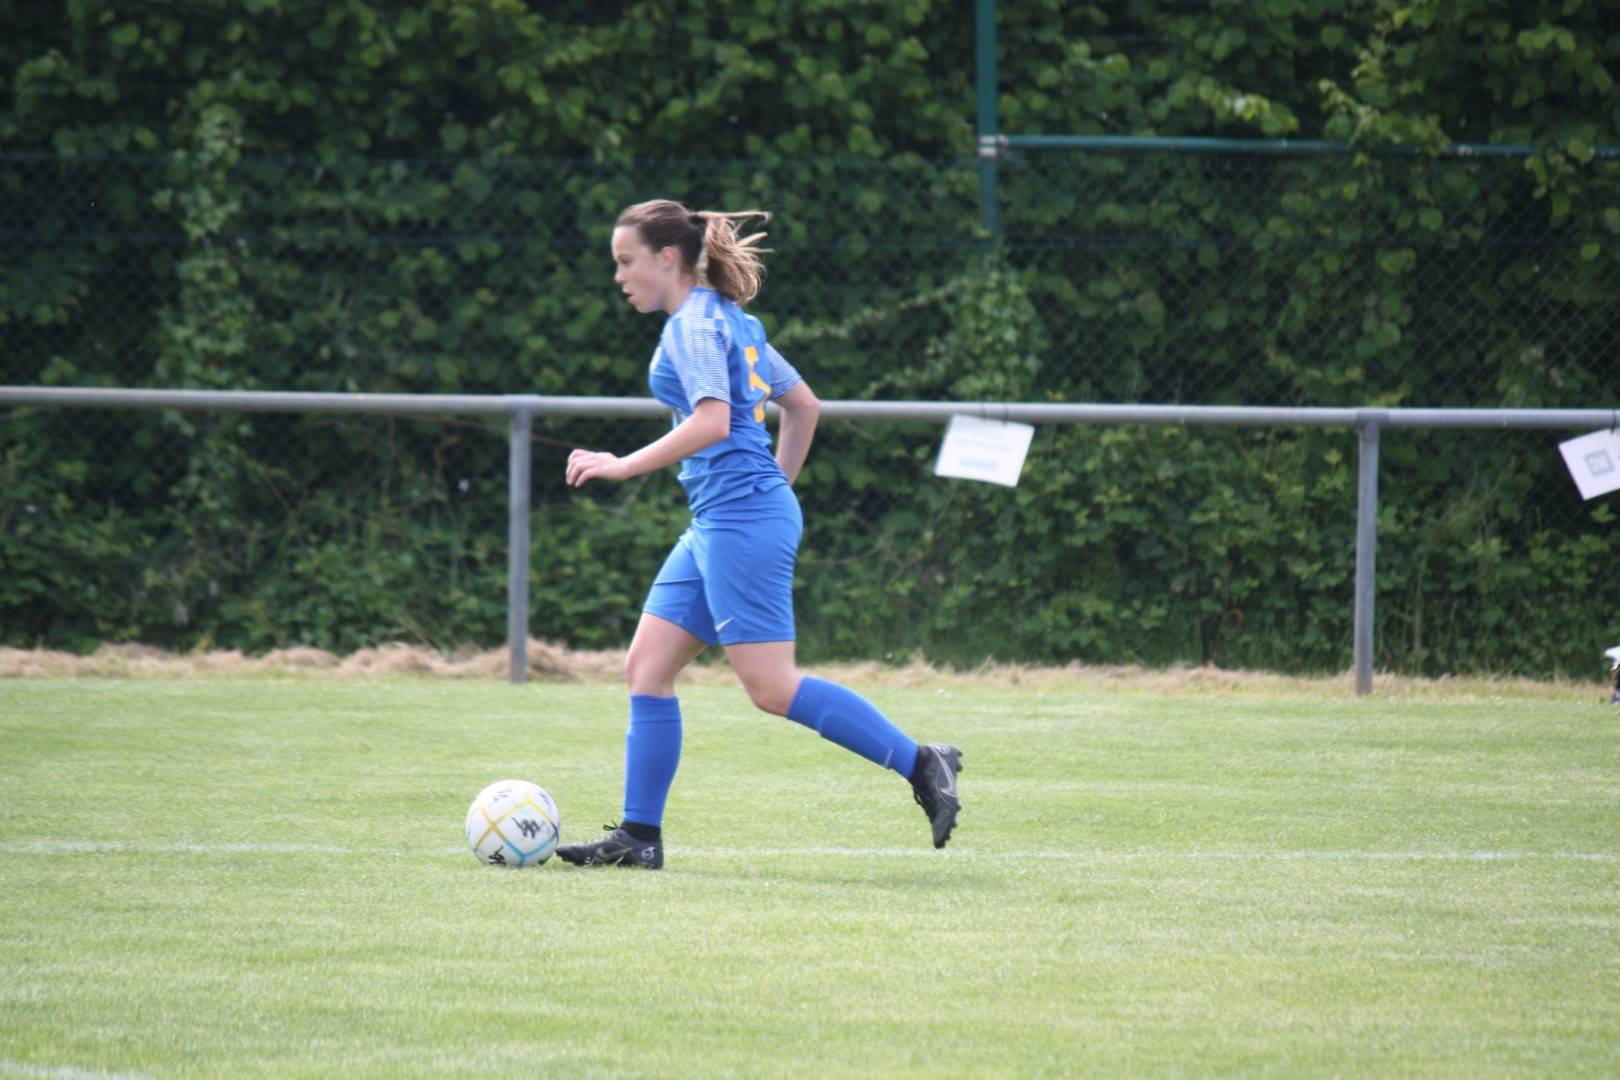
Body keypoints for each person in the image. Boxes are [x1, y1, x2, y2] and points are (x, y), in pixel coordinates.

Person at [555, 198, 962, 869]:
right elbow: (803, 405)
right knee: (647, 668)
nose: (619, 276)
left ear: (667, 258)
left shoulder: (692, 326)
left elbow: (713, 422)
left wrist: (623, 464)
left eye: (627, 262)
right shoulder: (726, 318)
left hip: (740, 518)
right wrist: (775, 491)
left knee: (771, 687)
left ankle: (923, 762)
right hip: (727, 519)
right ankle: (638, 837)